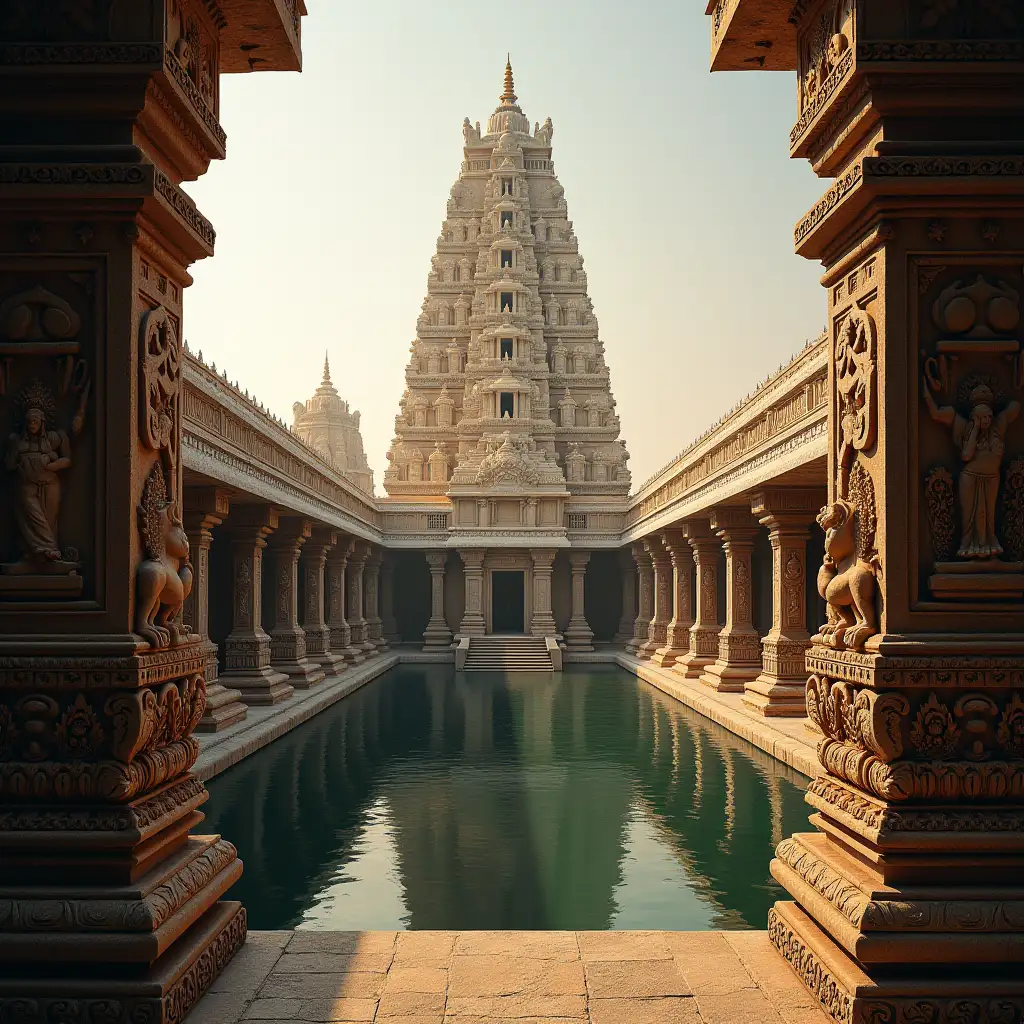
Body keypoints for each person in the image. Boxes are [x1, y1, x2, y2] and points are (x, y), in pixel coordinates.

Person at [924, 382, 1020, 558]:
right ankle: (967, 547)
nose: (987, 421)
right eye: (983, 418)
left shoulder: (997, 427)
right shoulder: (966, 428)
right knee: (969, 517)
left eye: (989, 417)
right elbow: (966, 455)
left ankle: (988, 548)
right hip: (970, 477)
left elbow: (1015, 407)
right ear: (975, 417)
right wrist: (975, 428)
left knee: (988, 516)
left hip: (991, 477)